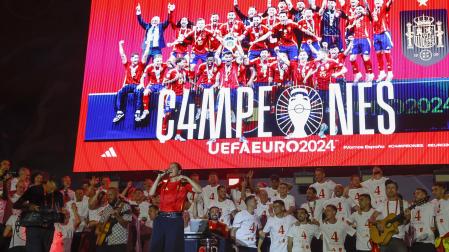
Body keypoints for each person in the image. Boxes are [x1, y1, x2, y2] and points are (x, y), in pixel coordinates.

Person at [148, 162, 202, 252]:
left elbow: (199, 190)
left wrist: (187, 178)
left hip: (175, 220)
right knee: (156, 247)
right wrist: (159, 177)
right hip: (160, 219)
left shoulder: (184, 184)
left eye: (173, 167)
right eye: (169, 167)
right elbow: (151, 193)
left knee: (172, 247)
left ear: (179, 171)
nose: (170, 169)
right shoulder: (163, 183)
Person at [13, 178, 64, 252]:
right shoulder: (34, 190)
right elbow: (17, 205)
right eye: (51, 188)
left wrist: (62, 212)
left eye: (54, 190)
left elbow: (60, 210)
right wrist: (29, 206)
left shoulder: (58, 194)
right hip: (34, 227)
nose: (52, 191)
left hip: (49, 229)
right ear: (48, 181)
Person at [112, 40, 150, 123]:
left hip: (137, 85)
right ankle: (119, 112)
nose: (137, 59)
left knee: (139, 91)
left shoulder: (141, 64)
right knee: (120, 92)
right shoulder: (127, 64)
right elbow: (122, 55)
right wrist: (120, 44)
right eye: (135, 58)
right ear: (131, 58)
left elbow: (146, 54)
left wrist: (148, 45)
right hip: (128, 85)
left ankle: (138, 112)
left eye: (137, 58)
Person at [377, 179, 410, 252]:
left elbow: (406, 221)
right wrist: (378, 224)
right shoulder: (382, 204)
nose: (390, 190)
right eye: (388, 188)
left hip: (398, 239)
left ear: (397, 190)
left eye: (393, 188)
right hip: (384, 240)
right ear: (385, 190)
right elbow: (372, 218)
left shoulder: (404, 204)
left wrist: (407, 218)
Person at [161, 57, 190, 141]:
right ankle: (163, 135)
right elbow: (164, 82)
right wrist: (174, 79)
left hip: (181, 96)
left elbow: (184, 83)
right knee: (167, 115)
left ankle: (178, 135)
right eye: (183, 63)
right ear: (177, 63)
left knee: (181, 116)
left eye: (185, 63)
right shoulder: (171, 72)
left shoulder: (183, 72)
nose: (184, 64)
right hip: (172, 95)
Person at [95, 188, 131, 252]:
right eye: (107, 195)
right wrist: (98, 229)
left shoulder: (125, 206)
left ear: (117, 195)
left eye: (110, 195)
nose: (108, 197)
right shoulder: (107, 209)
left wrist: (117, 216)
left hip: (118, 243)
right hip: (104, 241)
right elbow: (100, 222)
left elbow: (126, 224)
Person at [139, 54, 169, 121]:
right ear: (154, 61)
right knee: (145, 92)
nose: (159, 62)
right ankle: (146, 111)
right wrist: (141, 84)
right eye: (157, 61)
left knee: (165, 93)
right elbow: (143, 77)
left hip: (161, 85)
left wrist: (166, 79)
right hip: (152, 85)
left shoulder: (164, 65)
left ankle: (164, 110)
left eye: (160, 61)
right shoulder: (149, 67)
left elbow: (172, 67)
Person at [372, 0, 393, 82]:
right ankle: (381, 72)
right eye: (376, 0)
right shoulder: (373, 11)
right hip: (375, 35)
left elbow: (390, 2)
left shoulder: (384, 8)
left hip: (384, 33)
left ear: (382, 2)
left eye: (379, 0)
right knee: (378, 54)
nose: (377, 1)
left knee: (387, 52)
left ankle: (390, 73)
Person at [431, 183, 449, 252]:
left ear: (443, 190)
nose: (433, 192)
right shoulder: (433, 203)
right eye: (432, 190)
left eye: (436, 189)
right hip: (441, 237)